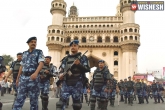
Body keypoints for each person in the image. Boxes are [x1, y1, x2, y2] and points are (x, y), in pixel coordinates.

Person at [56, 40, 90, 110]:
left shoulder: (83, 58)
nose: (73, 47)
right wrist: (60, 75)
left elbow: (87, 69)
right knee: (60, 104)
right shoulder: (66, 58)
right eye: (71, 46)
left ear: (78, 47)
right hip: (66, 82)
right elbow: (61, 69)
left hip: (77, 82)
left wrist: (79, 64)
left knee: (76, 105)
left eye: (75, 46)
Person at [12, 36, 44, 110]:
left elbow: (41, 63)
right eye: (32, 42)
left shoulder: (39, 52)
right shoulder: (24, 53)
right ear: (28, 43)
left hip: (33, 78)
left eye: (35, 42)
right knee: (19, 98)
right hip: (23, 78)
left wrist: (36, 73)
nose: (33, 43)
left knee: (34, 100)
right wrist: (18, 78)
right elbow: (21, 66)